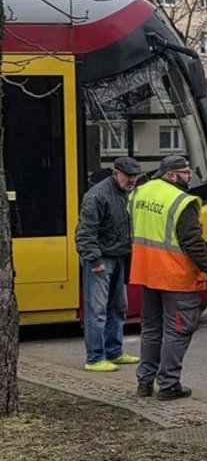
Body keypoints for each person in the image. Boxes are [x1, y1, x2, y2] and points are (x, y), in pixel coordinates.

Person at [129, 154, 207, 400]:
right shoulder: (181, 201)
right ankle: (168, 384)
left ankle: (144, 382)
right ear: (171, 175)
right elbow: (193, 242)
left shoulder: (140, 192)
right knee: (178, 330)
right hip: (175, 276)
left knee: (151, 330)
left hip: (147, 273)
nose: (189, 176)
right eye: (185, 172)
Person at [74, 156, 143, 372]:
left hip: (119, 256)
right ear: (115, 173)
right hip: (101, 259)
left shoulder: (126, 194)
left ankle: (114, 351)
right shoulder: (98, 195)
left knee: (118, 307)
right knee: (97, 309)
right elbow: (85, 232)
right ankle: (94, 358)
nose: (132, 180)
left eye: (134, 176)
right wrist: (94, 260)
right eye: (128, 176)